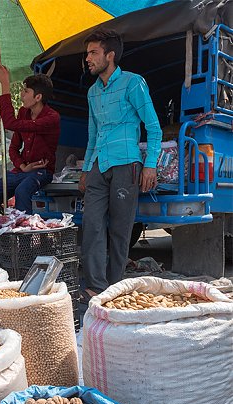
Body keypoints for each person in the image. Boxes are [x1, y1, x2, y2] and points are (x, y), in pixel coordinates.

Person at [79, 29, 162, 303]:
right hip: (99, 165)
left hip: (127, 164)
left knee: (120, 228)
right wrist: (86, 168)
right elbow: (93, 134)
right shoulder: (93, 92)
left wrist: (150, 165)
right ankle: (95, 286)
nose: (87, 58)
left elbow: (153, 127)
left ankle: (113, 286)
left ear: (109, 55)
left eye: (93, 53)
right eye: (87, 53)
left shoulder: (133, 83)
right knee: (91, 224)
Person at [0, 65, 60, 212]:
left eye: (25, 91)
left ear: (38, 97)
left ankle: (24, 232)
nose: (21, 94)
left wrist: (5, 85)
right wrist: (22, 166)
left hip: (42, 172)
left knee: (22, 192)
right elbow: (14, 148)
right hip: (21, 171)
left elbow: (9, 123)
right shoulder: (23, 112)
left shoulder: (52, 118)